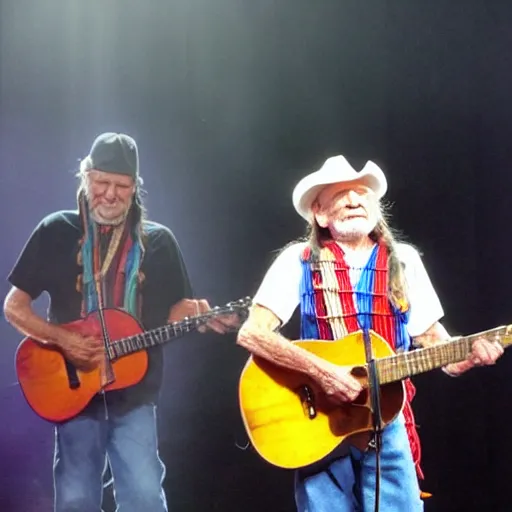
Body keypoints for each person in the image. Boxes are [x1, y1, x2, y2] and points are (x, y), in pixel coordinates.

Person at [236, 155, 504, 511]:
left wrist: (468, 354)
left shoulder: (403, 260)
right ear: (320, 213)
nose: (354, 200)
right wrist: (323, 374)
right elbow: (252, 334)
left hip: (387, 422)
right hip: (320, 422)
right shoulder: (296, 260)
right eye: (340, 194)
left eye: (362, 193)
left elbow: (438, 346)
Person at [3, 132, 235, 512]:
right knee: (76, 499)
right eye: (102, 183)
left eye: (122, 186)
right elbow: (14, 307)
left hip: (135, 395)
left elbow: (176, 311)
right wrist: (63, 340)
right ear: (86, 176)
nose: (110, 195)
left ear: (134, 188)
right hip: (74, 393)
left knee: (144, 498)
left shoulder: (159, 241)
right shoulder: (56, 230)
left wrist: (203, 317)